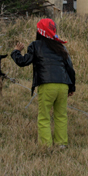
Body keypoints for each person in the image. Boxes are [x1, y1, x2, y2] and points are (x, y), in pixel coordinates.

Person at [11, 18, 76, 147]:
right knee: (61, 116)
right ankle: (61, 144)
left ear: (39, 31)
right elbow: (70, 68)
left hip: (47, 85)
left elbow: (23, 61)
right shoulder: (61, 47)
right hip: (63, 85)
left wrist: (16, 51)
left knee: (44, 117)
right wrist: (71, 87)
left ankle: (45, 145)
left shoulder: (35, 45)